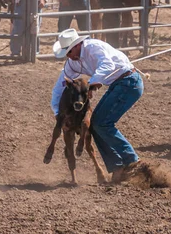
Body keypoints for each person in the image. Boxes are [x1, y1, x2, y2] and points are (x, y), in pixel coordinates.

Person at [50, 28, 144, 182]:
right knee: (95, 124)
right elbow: (59, 87)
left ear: (76, 46)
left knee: (101, 123)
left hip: (128, 81)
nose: (67, 56)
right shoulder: (73, 63)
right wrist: (57, 113)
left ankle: (131, 160)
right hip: (119, 84)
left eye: (68, 52)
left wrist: (91, 84)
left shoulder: (93, 47)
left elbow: (107, 65)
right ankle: (118, 166)